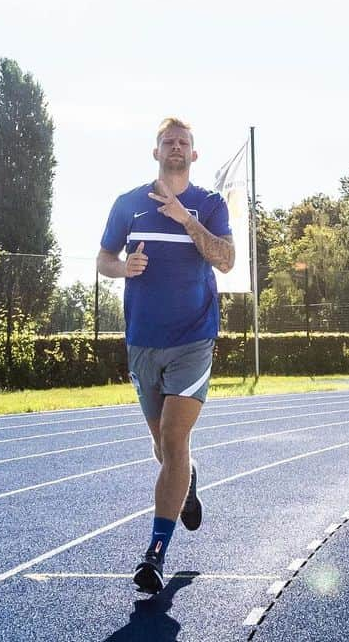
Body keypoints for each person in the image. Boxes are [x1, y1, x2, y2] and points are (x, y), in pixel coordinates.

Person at [97, 117, 235, 594]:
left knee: (175, 441)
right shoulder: (128, 205)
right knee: (164, 449)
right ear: (155, 151)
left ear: (194, 155)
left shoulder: (210, 205)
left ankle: (155, 553)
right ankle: (188, 481)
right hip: (142, 341)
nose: (176, 148)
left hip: (194, 339)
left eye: (184, 142)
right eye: (168, 142)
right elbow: (102, 260)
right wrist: (123, 268)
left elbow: (226, 258)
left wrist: (185, 218)